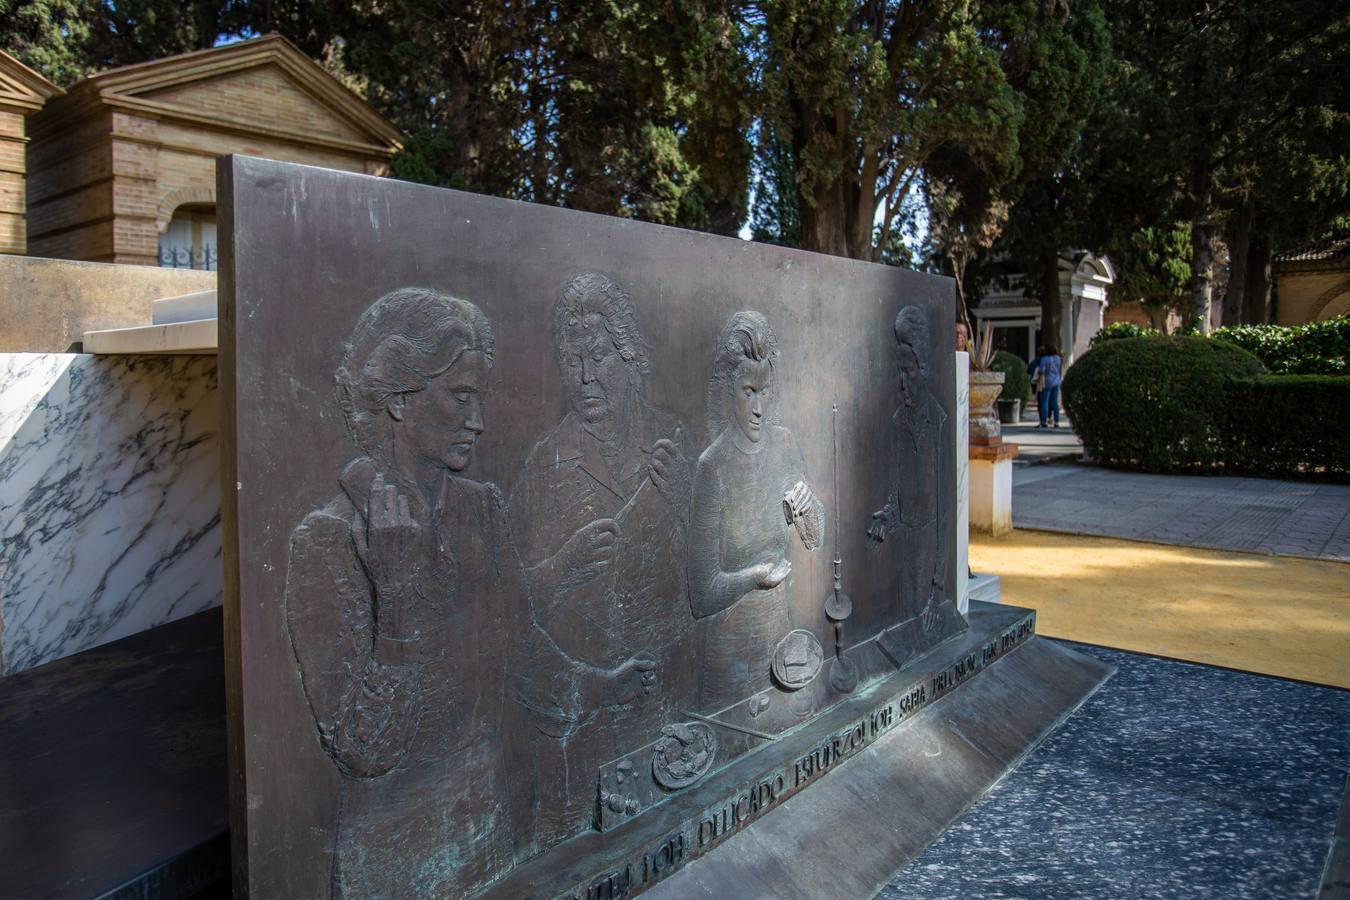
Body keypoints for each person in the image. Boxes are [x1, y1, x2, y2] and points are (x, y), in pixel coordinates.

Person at [283, 288, 653, 897]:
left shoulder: (482, 510)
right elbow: (363, 747)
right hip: (395, 862)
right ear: (399, 398)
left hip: (493, 833)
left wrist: (602, 686)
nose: (477, 420)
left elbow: (523, 651)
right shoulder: (327, 541)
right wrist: (396, 599)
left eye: (479, 398)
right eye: (460, 397)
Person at [509, 271, 694, 843]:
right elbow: (503, 607)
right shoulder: (546, 464)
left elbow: (705, 587)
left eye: (599, 357)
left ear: (629, 355)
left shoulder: (671, 441)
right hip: (575, 728)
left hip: (659, 711)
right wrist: (560, 569)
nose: (586, 377)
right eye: (572, 360)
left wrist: (690, 502)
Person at [688, 310, 823, 713]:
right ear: (729, 391)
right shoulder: (713, 467)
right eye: (749, 391)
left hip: (782, 647)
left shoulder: (785, 446)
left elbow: (815, 539)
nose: (759, 407)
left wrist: (808, 509)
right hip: (728, 659)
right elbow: (701, 593)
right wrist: (754, 578)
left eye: (765, 392)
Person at [866, 307, 950, 634]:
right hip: (906, 551)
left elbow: (944, 511)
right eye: (898, 371)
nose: (902, 382)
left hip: (931, 549)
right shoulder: (897, 422)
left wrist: (938, 588)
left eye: (909, 371)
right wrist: (887, 515)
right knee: (905, 629)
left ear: (924, 369)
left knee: (923, 630)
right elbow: (895, 489)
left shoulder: (938, 423)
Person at [1033, 342, 1063, 427]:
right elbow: (1060, 370)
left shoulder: (1044, 359)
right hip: (1056, 381)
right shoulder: (1058, 358)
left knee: (1044, 401)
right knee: (1055, 402)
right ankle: (1056, 421)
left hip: (1046, 381)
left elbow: (1042, 370)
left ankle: (1044, 421)